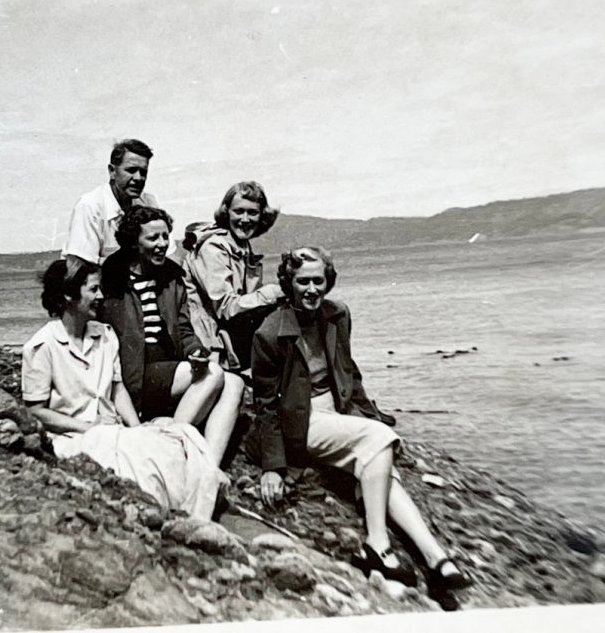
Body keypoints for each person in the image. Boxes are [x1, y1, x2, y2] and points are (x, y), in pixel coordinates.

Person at [252, 246, 470, 593]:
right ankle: (378, 545)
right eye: (303, 281)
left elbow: (348, 374)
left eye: (319, 281)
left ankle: (435, 558)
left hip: (337, 414)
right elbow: (265, 403)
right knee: (377, 440)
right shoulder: (269, 333)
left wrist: (370, 415)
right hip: (303, 421)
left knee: (380, 466)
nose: (312, 290)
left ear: (329, 282)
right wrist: (273, 466)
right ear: (289, 283)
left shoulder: (337, 314)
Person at [21, 259, 227, 521]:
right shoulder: (42, 346)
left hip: (112, 429)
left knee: (175, 439)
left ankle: (191, 509)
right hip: (73, 436)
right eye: (93, 290)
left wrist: (135, 427)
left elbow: (118, 389)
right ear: (68, 295)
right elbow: (36, 411)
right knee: (144, 464)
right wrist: (90, 430)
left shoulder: (105, 335)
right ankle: (177, 515)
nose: (101, 296)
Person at [99, 205, 245, 465]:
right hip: (134, 374)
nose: (162, 244)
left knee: (235, 384)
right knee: (214, 375)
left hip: (167, 370)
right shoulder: (112, 277)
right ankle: (167, 444)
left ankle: (208, 466)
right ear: (134, 241)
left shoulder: (172, 276)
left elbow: (184, 328)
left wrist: (196, 352)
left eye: (165, 236)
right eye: (153, 237)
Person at [181, 180, 284, 370]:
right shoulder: (213, 247)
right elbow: (226, 307)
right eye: (239, 211)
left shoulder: (241, 246)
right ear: (226, 212)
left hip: (230, 341)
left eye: (252, 212)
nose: (245, 219)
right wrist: (274, 293)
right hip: (209, 347)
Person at [62, 139, 159, 265]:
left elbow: (167, 254)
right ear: (112, 171)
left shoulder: (149, 203)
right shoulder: (90, 206)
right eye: (131, 170)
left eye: (143, 172)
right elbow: (81, 266)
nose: (138, 178)